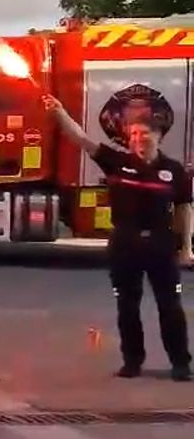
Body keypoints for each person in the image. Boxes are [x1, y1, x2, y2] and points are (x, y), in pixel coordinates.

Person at [46, 94, 192, 379]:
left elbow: (185, 209)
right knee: (127, 305)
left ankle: (181, 364)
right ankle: (132, 362)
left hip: (161, 246)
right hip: (125, 245)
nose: (139, 138)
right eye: (134, 134)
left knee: (170, 306)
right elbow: (81, 139)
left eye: (145, 133)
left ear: (159, 135)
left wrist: (186, 247)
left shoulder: (173, 171)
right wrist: (60, 111)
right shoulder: (115, 162)